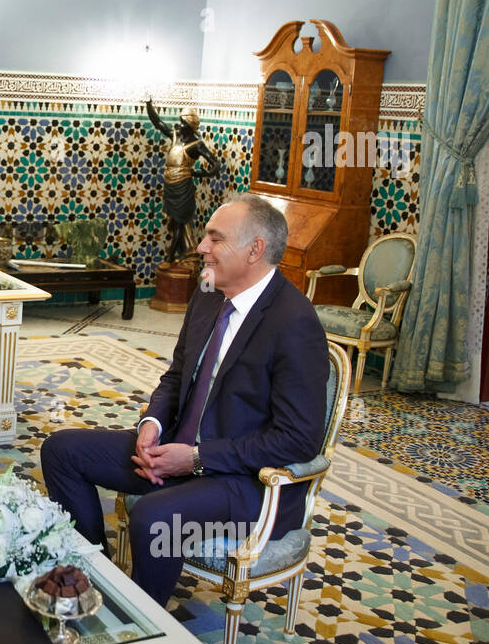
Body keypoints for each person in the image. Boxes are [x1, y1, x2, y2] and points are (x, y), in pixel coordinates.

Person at [40, 194, 327, 607]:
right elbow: (176, 376)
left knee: (153, 517)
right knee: (61, 450)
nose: (201, 247)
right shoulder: (209, 294)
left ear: (255, 250)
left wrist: (195, 458)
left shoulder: (294, 322)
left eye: (215, 238)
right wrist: (151, 426)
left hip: (241, 481)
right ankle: (94, 577)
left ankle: (141, 634)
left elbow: (298, 439)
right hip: (174, 450)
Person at [145, 98, 223, 264]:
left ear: (189, 126)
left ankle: (170, 257)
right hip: (170, 185)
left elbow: (215, 163)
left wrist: (203, 174)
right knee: (174, 222)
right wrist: (148, 104)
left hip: (183, 187)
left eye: (182, 123)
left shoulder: (197, 145)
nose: (178, 126)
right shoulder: (176, 136)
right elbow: (158, 123)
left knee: (179, 221)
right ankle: (180, 254)